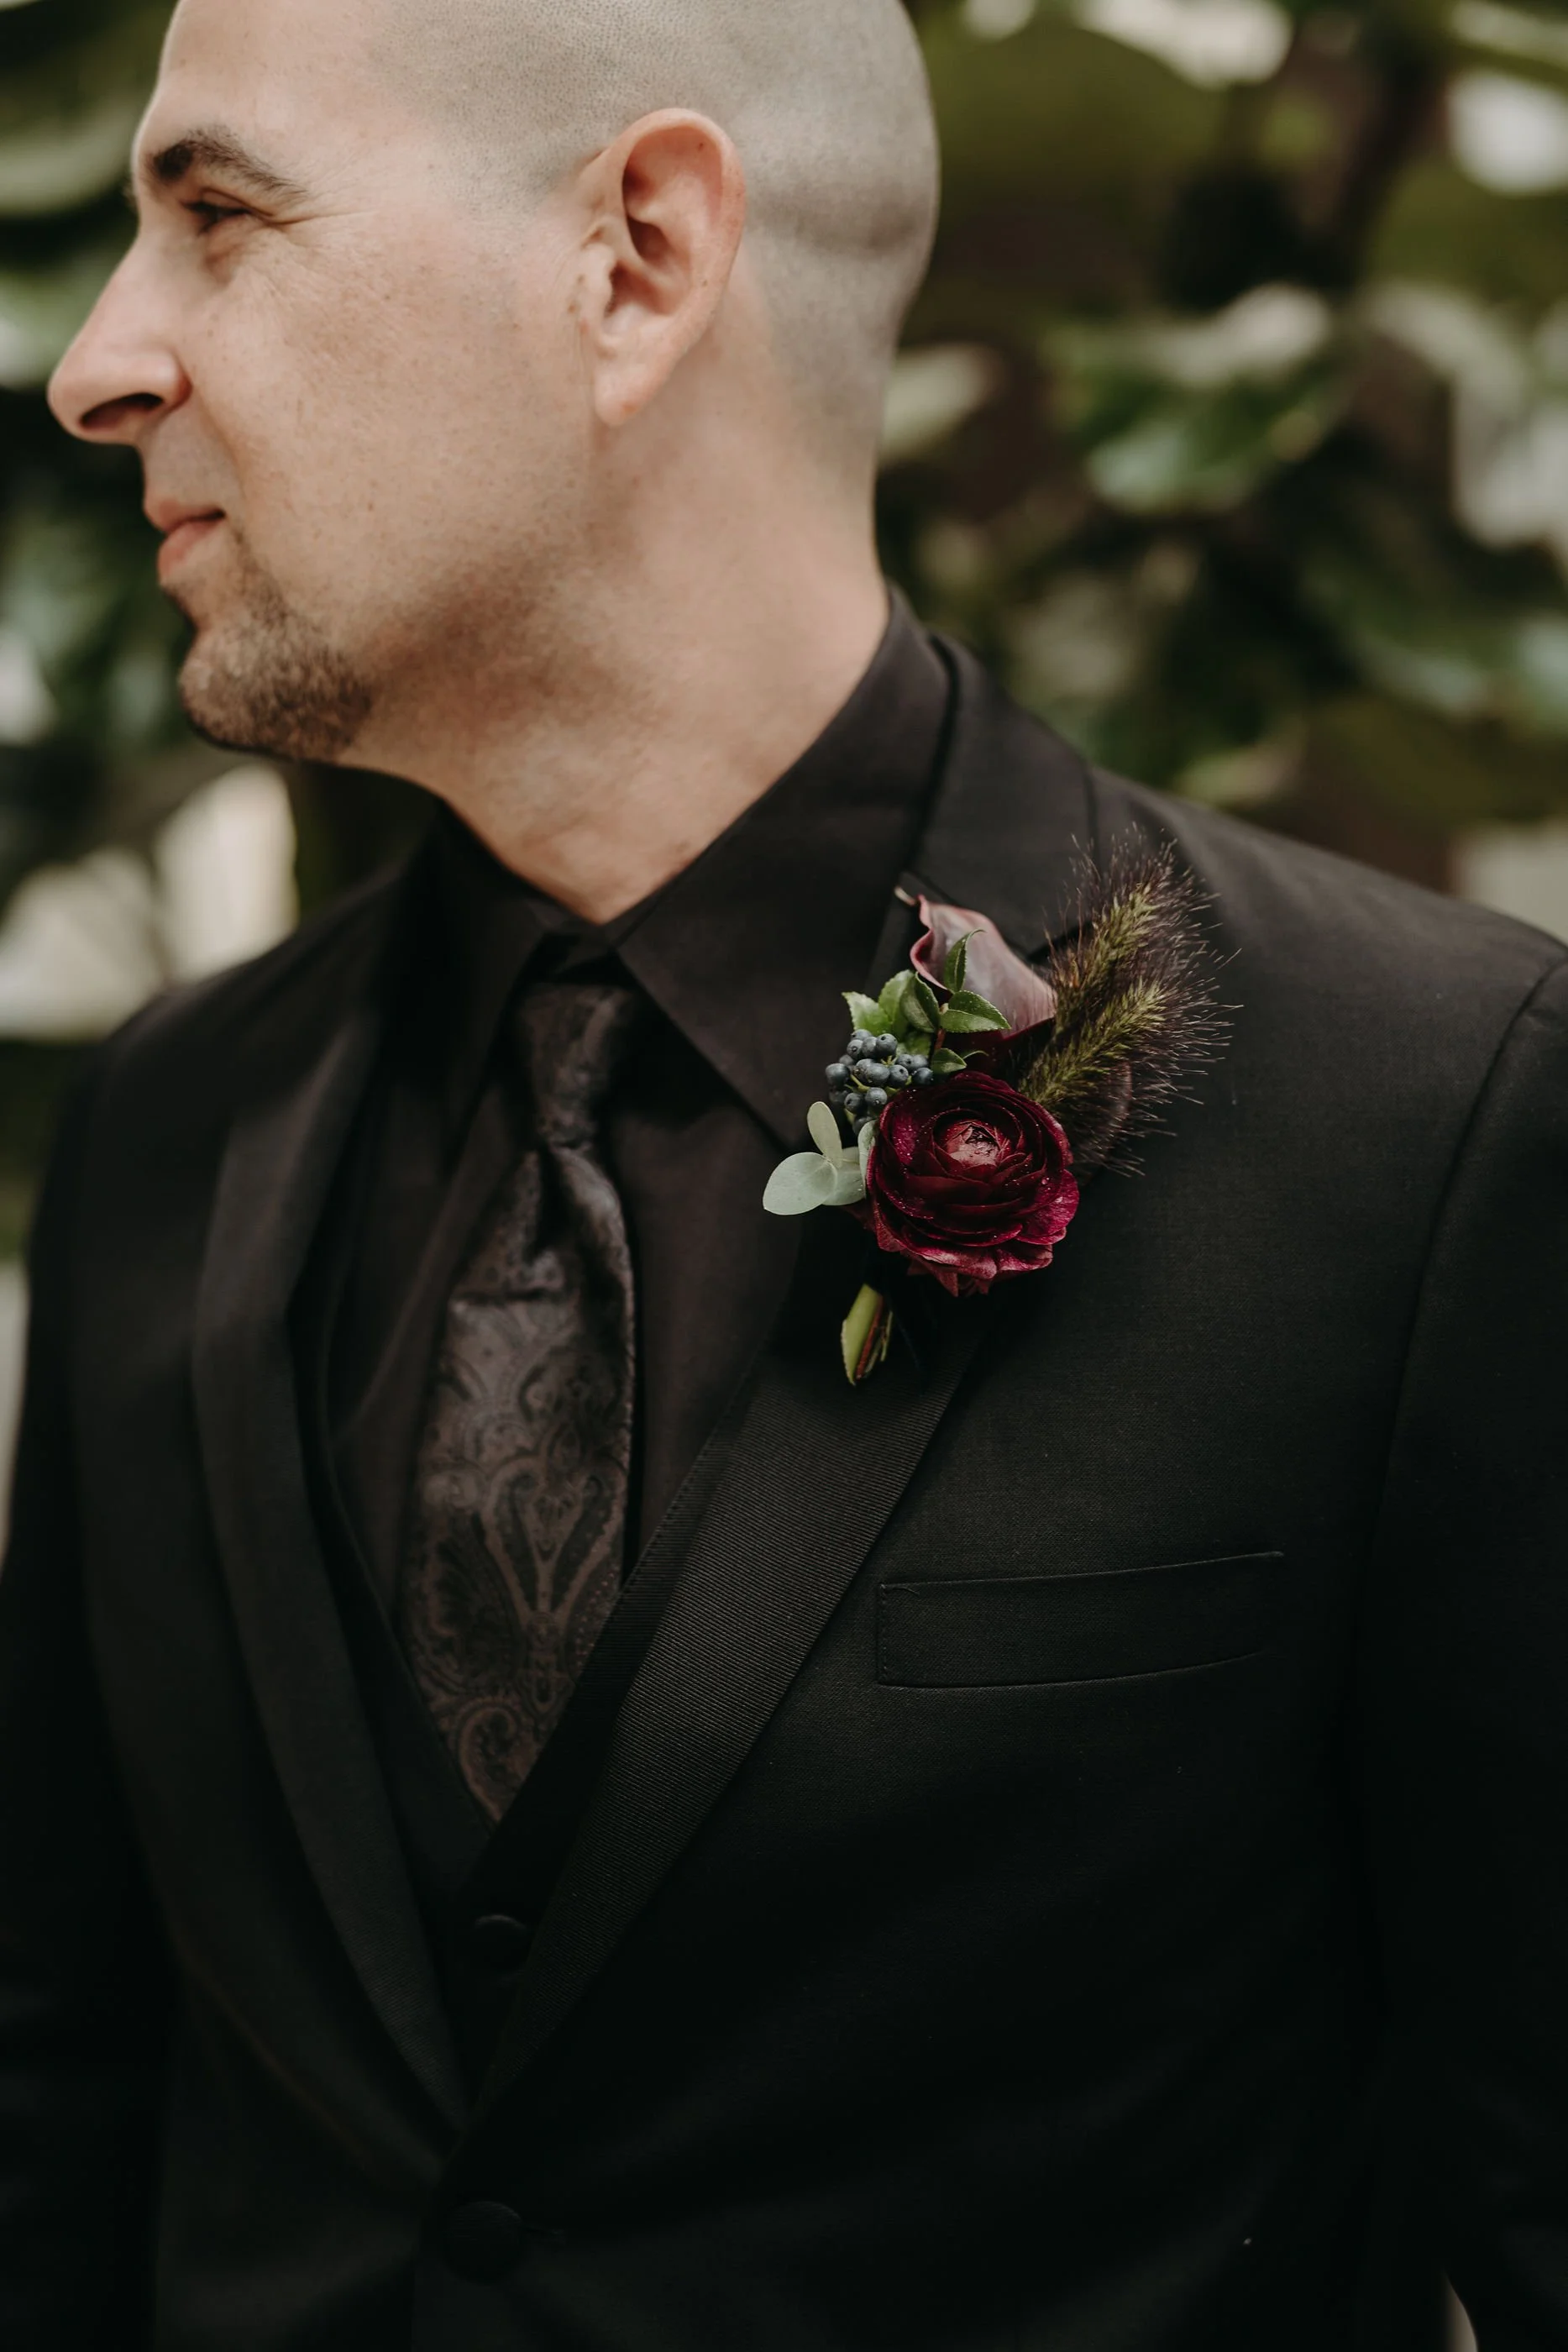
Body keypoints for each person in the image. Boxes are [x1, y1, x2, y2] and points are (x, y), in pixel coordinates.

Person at [4, 0, 1565, 2343]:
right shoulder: (167, 1128)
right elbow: (61, 2114)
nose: (98, 365)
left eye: (217, 214)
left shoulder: (1427, 1115)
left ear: (639, 255)